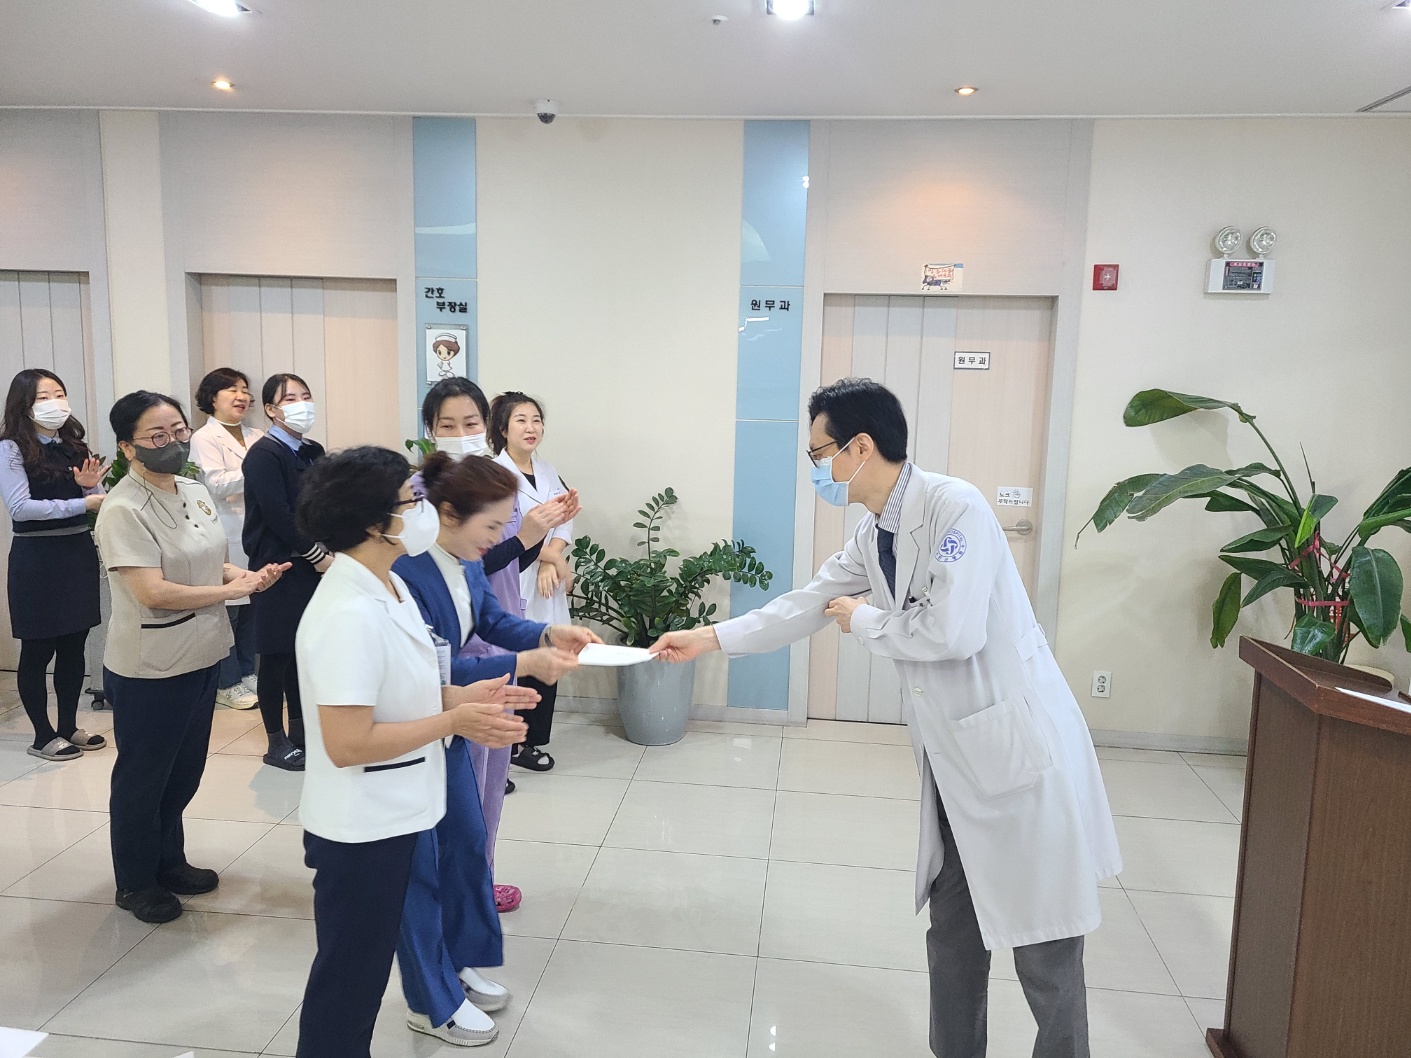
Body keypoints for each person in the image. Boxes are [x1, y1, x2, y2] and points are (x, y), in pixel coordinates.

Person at [652, 378, 1123, 1058]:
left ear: (860, 447)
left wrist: (865, 620)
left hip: (1014, 755)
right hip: (957, 764)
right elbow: (806, 603)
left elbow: (952, 633)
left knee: (1045, 949)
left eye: (820, 454)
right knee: (953, 936)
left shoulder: (955, 507)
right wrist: (708, 638)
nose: (817, 469)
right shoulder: (874, 532)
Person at [291, 445, 538, 1058]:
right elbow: (348, 742)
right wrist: (452, 719)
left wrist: (465, 696)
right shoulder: (347, 612)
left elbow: (404, 688)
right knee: (348, 981)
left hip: (400, 807)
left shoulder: (390, 585)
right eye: (411, 501)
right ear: (375, 523)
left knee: (365, 975)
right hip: (361, 825)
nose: (424, 509)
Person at [393, 450, 597, 1046]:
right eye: (492, 526)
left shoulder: (465, 560)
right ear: (446, 514)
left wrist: (546, 632)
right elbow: (425, 671)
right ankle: (430, 1001)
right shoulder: (406, 574)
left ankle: (456, 966)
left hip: (451, 731)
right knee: (421, 870)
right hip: (412, 735)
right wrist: (524, 662)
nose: (500, 538)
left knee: (466, 845)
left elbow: (490, 619)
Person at [95, 390, 288, 924]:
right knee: (144, 777)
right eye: (157, 436)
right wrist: (230, 592)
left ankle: (169, 861)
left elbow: (212, 562)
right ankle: (136, 882)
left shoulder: (193, 489)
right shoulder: (122, 509)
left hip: (203, 652)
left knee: (183, 771)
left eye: (179, 431)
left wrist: (248, 577)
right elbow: (151, 591)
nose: (173, 443)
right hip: (151, 664)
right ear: (127, 447)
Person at [416, 378, 579, 911]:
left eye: (470, 423)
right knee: (457, 784)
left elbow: (499, 569)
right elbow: (464, 567)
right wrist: (527, 535)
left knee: (491, 780)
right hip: (453, 656)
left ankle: (479, 879)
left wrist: (542, 546)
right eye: (447, 425)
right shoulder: (417, 498)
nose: (460, 433)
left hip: (497, 636)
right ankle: (452, 890)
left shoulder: (491, 483)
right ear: (430, 429)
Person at [1, 369, 107, 761]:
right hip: (37, 558)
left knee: (74, 644)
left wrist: (91, 489)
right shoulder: (10, 448)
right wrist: (82, 502)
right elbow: (20, 507)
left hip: (76, 551)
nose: (55, 403)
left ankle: (67, 727)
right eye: (43, 397)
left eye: (59, 394)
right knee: (38, 647)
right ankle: (42, 735)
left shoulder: (74, 445)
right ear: (25, 406)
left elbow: (97, 497)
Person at [242, 373, 326, 770]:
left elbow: (323, 503)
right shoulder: (263, 455)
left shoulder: (312, 450)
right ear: (271, 410)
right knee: (275, 655)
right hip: (277, 566)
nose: (301, 404)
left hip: (310, 565)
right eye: (290, 398)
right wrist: (316, 553)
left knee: (302, 652)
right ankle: (275, 740)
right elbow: (278, 515)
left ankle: (301, 730)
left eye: (305, 396)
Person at [489, 391, 576, 773]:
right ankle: (509, 743)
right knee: (518, 659)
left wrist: (552, 557)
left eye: (536, 420)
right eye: (521, 420)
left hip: (545, 582)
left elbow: (565, 520)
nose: (531, 427)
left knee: (548, 655)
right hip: (512, 578)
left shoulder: (548, 471)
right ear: (503, 429)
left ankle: (531, 740)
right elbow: (501, 535)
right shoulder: (493, 475)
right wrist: (552, 558)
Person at [190, 367, 264, 711]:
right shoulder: (204, 438)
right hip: (224, 530)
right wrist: (258, 470)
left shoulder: (257, 435)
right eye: (232, 389)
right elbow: (216, 484)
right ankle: (226, 681)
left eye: (245, 390)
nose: (241, 396)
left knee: (251, 608)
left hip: (255, 530)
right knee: (228, 611)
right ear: (212, 398)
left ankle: (247, 671)